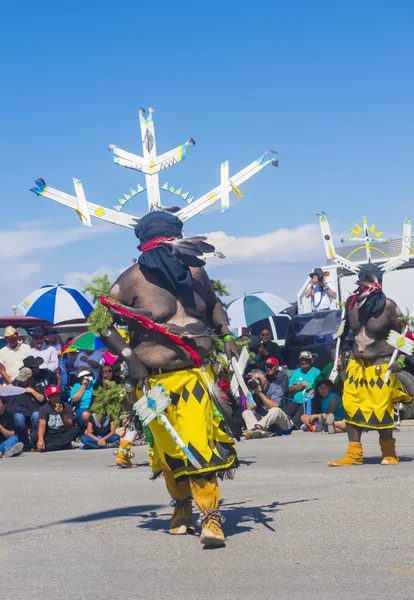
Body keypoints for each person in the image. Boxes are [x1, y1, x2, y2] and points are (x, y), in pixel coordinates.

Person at [97, 211, 239, 547]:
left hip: (194, 378)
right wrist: (130, 358)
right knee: (169, 452)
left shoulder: (195, 273)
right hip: (154, 384)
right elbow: (101, 322)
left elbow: (215, 304)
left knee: (199, 447)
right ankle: (181, 508)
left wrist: (227, 332)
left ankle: (211, 518)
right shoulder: (131, 280)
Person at [328, 264, 411, 467]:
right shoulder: (351, 304)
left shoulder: (389, 306)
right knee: (351, 406)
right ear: (361, 282)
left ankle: (389, 452)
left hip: (381, 366)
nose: (374, 286)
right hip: (357, 367)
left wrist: (400, 359)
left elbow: (407, 334)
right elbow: (344, 332)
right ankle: (354, 455)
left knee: (380, 409)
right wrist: (339, 354)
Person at [242, 369, 293, 438]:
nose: (256, 382)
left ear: (264, 378)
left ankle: (257, 428)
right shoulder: (255, 390)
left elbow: (274, 406)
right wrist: (250, 390)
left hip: (281, 422)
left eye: (257, 379)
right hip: (266, 422)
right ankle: (254, 431)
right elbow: (249, 408)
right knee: (246, 412)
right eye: (253, 380)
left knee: (275, 410)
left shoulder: (275, 388)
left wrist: (260, 394)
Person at [10, 367, 46, 448]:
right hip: (20, 411)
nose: (21, 382)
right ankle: (25, 441)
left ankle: (36, 439)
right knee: (18, 417)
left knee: (36, 415)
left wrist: (32, 391)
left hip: (33, 410)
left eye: (24, 380)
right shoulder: (16, 386)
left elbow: (42, 399)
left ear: (29, 379)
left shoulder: (37, 386)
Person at [36, 385, 80, 452]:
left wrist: (62, 414)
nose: (56, 398)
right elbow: (42, 425)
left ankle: (48, 447)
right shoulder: (44, 409)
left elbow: (69, 425)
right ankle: (64, 445)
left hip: (63, 433)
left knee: (76, 429)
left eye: (57, 396)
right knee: (34, 436)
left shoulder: (67, 407)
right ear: (48, 398)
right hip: (50, 434)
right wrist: (40, 439)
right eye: (53, 396)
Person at [285, 351, 321, 429]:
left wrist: (298, 387)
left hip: (307, 402)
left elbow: (314, 386)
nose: (304, 362)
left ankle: (292, 426)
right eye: (302, 360)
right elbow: (290, 388)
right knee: (284, 413)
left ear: (311, 361)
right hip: (295, 401)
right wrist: (302, 385)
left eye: (306, 360)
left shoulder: (317, 372)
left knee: (294, 422)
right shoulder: (296, 372)